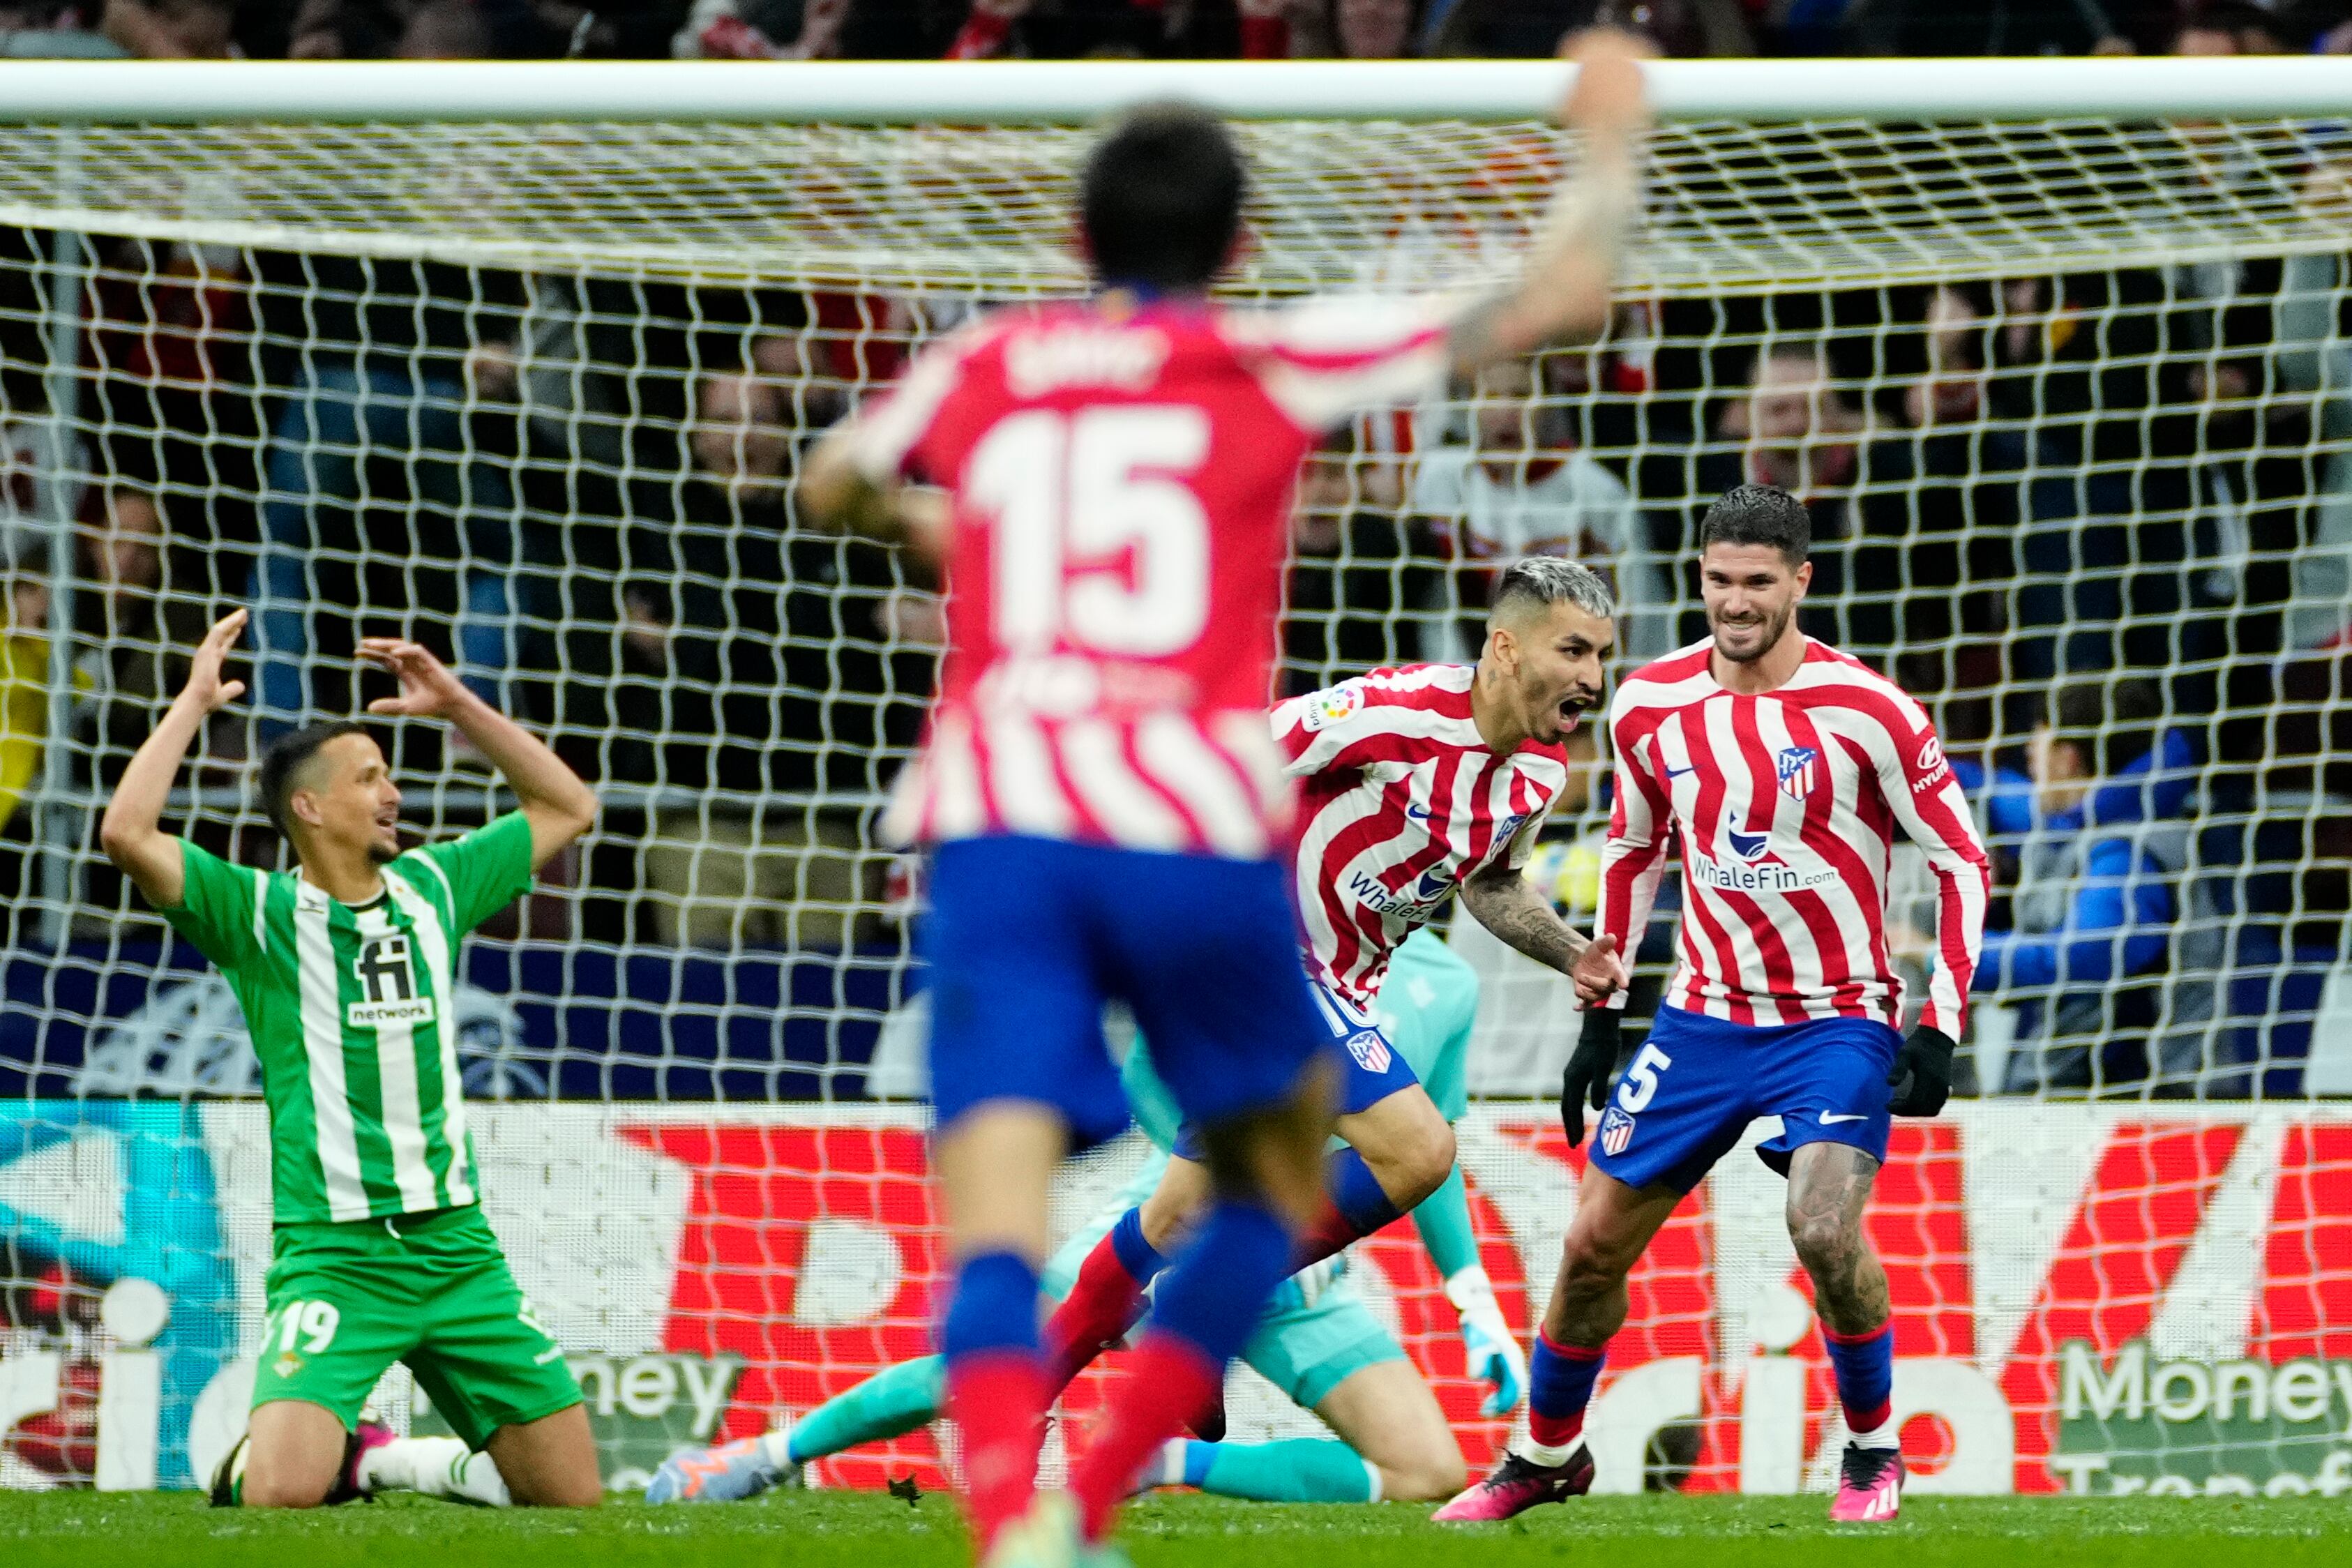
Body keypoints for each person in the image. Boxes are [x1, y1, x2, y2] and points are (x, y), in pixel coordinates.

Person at [793, 33, 1650, 1565]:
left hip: (1007, 810)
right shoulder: (1266, 358)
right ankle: (1107, 1476)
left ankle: (1018, 1516)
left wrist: (976, 545)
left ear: (1076, 239)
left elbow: (833, 486)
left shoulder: (994, 360)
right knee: (1275, 1189)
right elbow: (1561, 296)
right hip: (1190, 826)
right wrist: (1606, 128)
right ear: (1241, 247)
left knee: (994, 1205)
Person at [1437, 483, 1990, 1526]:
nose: (1735, 604)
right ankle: (1546, 1455)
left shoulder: (1873, 711)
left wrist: (1939, 1021)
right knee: (1593, 1242)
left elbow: (1961, 859)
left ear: (1800, 583)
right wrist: (1601, 1014)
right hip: (1700, 1020)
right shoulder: (1649, 702)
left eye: (1757, 584)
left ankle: (1873, 1453)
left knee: (1822, 1226)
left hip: (1837, 1018)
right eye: (1719, 581)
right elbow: (1637, 848)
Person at [1035, 559, 1628, 1415]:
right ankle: (1209, 1301)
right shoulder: (1391, 712)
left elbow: (1491, 884)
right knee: (1420, 1149)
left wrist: (1572, 952)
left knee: (1172, 1218)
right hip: (1263, 954)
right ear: (1504, 646)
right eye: (1573, 649)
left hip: (1345, 985)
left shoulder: (1538, 771)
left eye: (1603, 655)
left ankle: (1035, 1390)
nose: (1592, 678)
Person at [646, 928, 1502, 1509]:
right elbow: (1151, 1076)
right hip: (1170, 1226)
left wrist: (1473, 1296)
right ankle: (760, 1457)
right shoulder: (1279, 943)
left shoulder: (1448, 984)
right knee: (992, 1367)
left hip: (1303, 1264)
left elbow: (1433, 1151)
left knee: (1427, 1466)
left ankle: (1156, 1460)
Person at [98, 609, 603, 1510]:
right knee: (278, 1501)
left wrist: (458, 706)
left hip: (457, 1248)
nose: (393, 793)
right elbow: (127, 835)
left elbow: (570, 806)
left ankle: (382, 1458)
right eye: (370, 777)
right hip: (335, 1256)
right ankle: (349, 1458)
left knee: (571, 1502)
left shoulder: (433, 886)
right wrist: (190, 704)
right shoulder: (254, 916)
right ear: (310, 806)